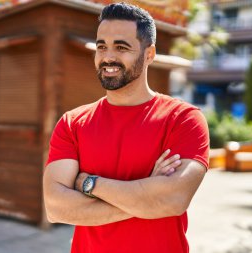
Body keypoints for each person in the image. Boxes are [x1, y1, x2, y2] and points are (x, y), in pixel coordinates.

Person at [43, 2, 209, 253]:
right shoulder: (72, 123)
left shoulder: (183, 119)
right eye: (102, 47)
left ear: (149, 54)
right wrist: (147, 198)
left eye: (121, 47)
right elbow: (56, 208)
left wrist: (89, 184)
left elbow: (173, 200)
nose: (108, 57)